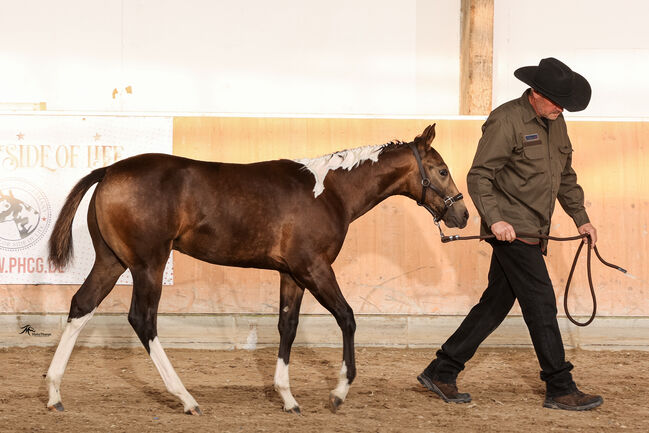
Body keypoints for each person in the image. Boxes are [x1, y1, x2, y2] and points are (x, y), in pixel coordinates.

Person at [417, 57, 603, 411]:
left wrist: (581, 218)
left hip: (537, 228)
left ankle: (442, 370)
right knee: (542, 304)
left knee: (496, 303)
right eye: (554, 101)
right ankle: (560, 387)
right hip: (511, 229)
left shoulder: (556, 122)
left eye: (564, 103)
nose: (560, 108)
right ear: (534, 93)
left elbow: (564, 176)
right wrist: (496, 220)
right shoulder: (506, 120)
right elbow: (479, 176)